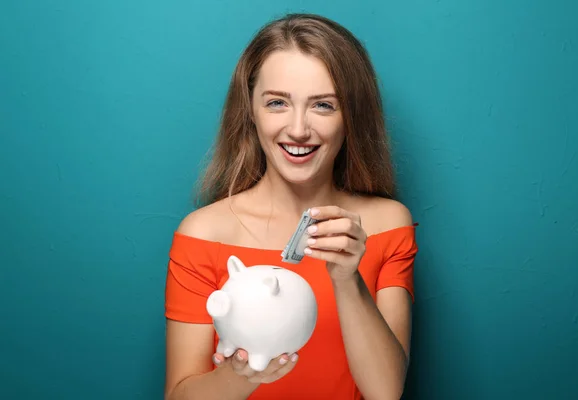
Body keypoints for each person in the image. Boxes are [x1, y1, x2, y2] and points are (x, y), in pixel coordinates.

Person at [163, 13, 418, 400]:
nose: (298, 129)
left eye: (323, 106)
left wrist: (348, 280)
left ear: (351, 117)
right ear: (250, 110)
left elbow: (385, 393)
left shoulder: (386, 225)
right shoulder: (204, 234)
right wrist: (243, 375)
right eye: (277, 103)